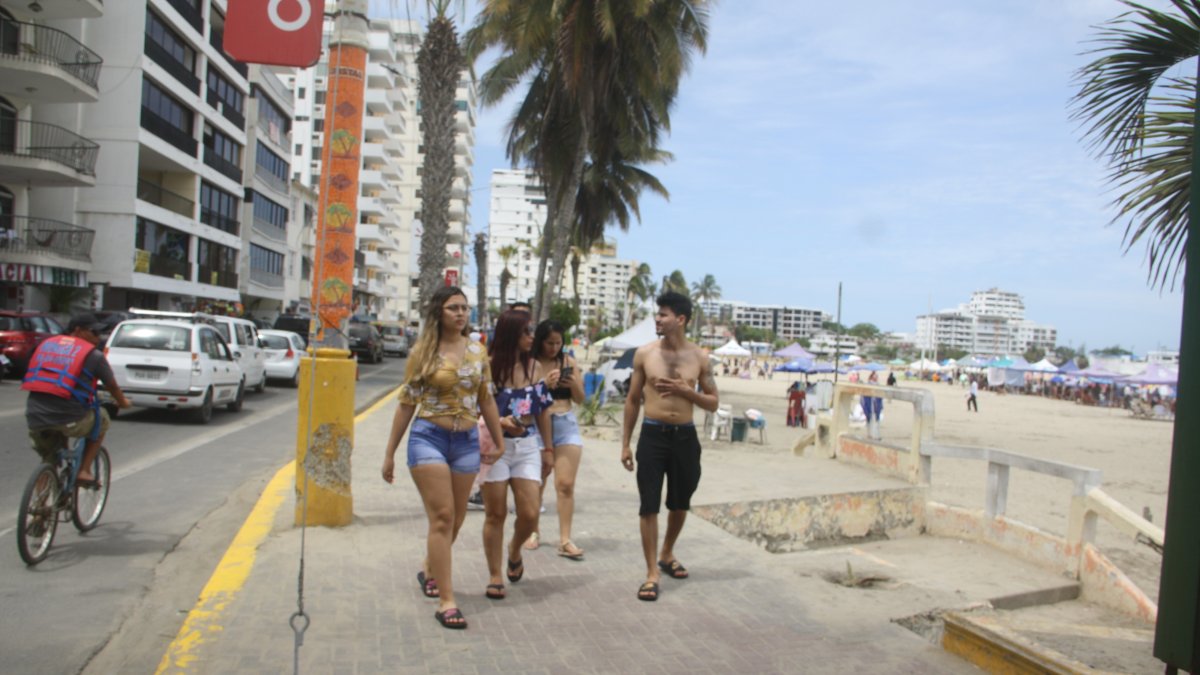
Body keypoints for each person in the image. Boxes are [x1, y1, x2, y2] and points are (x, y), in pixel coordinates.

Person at [381, 287, 504, 630]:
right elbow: (407, 402)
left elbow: (487, 400)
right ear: (440, 313)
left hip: (465, 441)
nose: (461, 313)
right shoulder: (424, 351)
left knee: (458, 518)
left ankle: (429, 568)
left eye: (465, 308)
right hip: (428, 439)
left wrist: (498, 440)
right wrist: (389, 452)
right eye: (454, 308)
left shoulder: (478, 351)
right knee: (443, 516)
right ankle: (446, 601)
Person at [621, 292, 719, 602]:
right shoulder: (644, 354)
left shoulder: (700, 358)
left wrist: (685, 391)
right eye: (657, 314)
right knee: (648, 504)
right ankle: (651, 573)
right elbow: (633, 400)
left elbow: (714, 403)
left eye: (663, 315)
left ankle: (667, 552)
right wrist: (625, 444)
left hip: (685, 438)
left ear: (681, 319)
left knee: (680, 503)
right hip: (652, 435)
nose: (657, 319)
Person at [481, 310, 554, 600]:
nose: (531, 337)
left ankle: (514, 549)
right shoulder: (487, 367)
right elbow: (476, 409)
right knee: (495, 514)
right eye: (526, 332)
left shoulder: (535, 367)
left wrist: (548, 448)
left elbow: (543, 409)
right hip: (494, 448)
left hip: (526, 446)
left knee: (530, 513)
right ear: (511, 334)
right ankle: (495, 574)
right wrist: (499, 423)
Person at [24, 313, 131, 484]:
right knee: (102, 419)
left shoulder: (44, 346)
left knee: (48, 460)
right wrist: (123, 402)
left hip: (35, 415)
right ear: (78, 330)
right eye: (94, 332)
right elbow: (112, 386)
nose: (98, 338)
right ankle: (84, 470)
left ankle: (40, 505)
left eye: (100, 333)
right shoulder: (94, 356)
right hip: (71, 418)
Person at [527, 319, 586, 559]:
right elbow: (523, 401)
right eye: (549, 343)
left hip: (565, 423)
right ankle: (533, 531)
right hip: (537, 426)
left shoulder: (568, 362)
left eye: (558, 343)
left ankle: (565, 539)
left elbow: (581, 399)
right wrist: (544, 386)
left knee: (565, 484)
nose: (553, 348)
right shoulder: (529, 364)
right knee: (537, 482)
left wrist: (573, 384)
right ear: (540, 341)